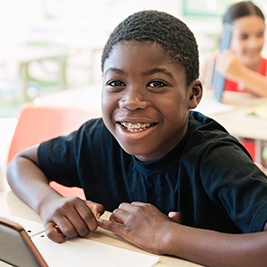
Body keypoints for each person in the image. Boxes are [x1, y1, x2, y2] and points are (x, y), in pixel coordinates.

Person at [6, 10, 267, 267]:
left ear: (193, 94)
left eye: (156, 84)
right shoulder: (98, 139)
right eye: (116, 83)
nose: (131, 101)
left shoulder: (216, 158)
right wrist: (49, 203)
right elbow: (21, 163)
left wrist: (167, 235)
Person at [201, 1, 267, 97]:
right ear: (227, 37)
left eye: (260, 34)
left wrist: (241, 73)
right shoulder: (212, 64)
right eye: (243, 37)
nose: (253, 44)